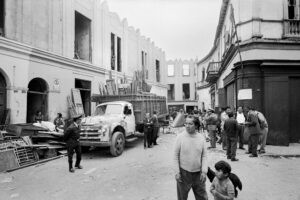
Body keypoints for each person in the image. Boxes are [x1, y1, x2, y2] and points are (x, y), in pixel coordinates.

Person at [174, 115, 208, 200]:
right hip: (184, 173)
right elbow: (175, 156)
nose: (187, 126)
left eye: (190, 124)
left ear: (196, 125)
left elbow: (204, 156)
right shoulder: (180, 137)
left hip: (198, 174)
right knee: (182, 197)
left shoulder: (201, 138)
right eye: (186, 123)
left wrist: (204, 171)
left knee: (202, 197)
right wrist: (177, 172)